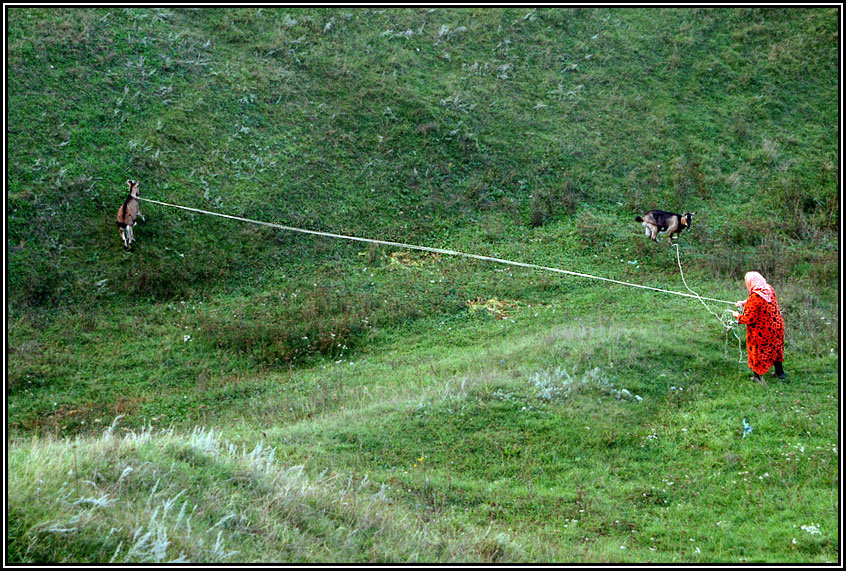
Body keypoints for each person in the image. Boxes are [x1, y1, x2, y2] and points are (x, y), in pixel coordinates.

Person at [732, 271, 785, 383]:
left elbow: (747, 319)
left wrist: (737, 315)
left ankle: (757, 377)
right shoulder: (768, 288)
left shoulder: (755, 296)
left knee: (757, 352)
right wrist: (744, 302)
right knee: (775, 349)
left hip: (763, 330)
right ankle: (780, 373)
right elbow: (761, 301)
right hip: (777, 326)